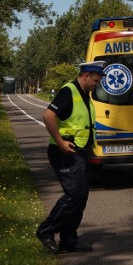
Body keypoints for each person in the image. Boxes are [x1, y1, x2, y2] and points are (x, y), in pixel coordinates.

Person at [36, 61, 106, 254]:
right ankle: (46, 231)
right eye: (95, 80)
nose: (97, 84)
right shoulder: (69, 91)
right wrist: (60, 142)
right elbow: (48, 116)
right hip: (64, 151)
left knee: (81, 196)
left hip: (79, 151)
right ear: (85, 76)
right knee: (74, 194)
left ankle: (68, 240)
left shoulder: (85, 94)